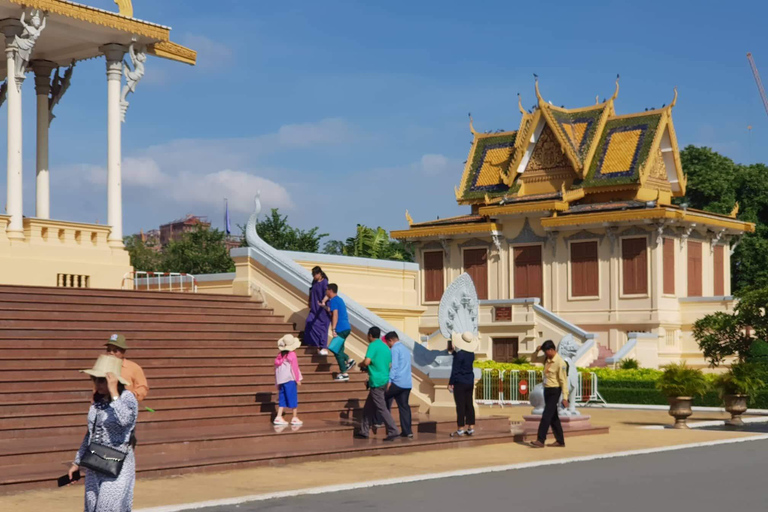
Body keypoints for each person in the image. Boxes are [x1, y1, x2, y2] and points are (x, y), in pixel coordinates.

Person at [69, 354, 138, 512]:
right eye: (95, 379)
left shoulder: (127, 398)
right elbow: (90, 435)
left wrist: (114, 393)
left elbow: (125, 420)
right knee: (92, 507)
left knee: (107, 508)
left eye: (102, 380)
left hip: (117, 463)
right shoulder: (98, 403)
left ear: (113, 380)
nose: (97, 384)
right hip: (95, 462)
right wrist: (77, 463)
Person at [356, 327, 399, 441]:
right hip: (384, 380)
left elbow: (367, 361)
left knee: (381, 408)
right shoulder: (385, 347)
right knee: (368, 408)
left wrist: (361, 365)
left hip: (377, 381)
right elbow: (388, 364)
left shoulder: (372, 345)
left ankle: (393, 430)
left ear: (370, 335)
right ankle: (364, 431)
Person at [530, 340, 569, 448]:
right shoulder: (546, 359)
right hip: (547, 390)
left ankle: (540, 440)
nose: (545, 354)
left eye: (546, 352)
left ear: (552, 350)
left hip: (555, 391)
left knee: (546, 415)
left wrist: (565, 398)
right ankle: (560, 441)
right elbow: (533, 360)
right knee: (553, 417)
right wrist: (536, 351)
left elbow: (563, 381)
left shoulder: (560, 363)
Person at [448, 332, 478, 437]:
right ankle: (471, 427)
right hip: (469, 381)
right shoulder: (471, 354)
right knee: (469, 404)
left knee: (460, 405)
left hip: (460, 381)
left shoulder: (459, 355)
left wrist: (451, 382)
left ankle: (460, 428)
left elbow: (455, 370)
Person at [384, 331, 413, 438]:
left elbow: (394, 366)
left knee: (381, 398)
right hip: (407, 383)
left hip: (397, 382)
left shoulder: (395, 349)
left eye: (388, 343)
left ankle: (380, 421)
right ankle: (407, 431)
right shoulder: (405, 349)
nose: (389, 345)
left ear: (390, 340)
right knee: (404, 406)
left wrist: (390, 380)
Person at [104, 334, 149, 401]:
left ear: (123, 351)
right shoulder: (103, 367)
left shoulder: (134, 368)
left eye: (115, 351)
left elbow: (142, 388)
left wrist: (131, 396)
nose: (111, 353)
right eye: (109, 350)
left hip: (125, 407)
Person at [325, 284, 356, 381]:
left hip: (340, 329)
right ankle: (347, 363)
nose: (326, 292)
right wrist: (324, 306)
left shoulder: (333, 300)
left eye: (327, 290)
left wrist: (333, 329)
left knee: (335, 349)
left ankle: (345, 371)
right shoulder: (339, 299)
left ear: (330, 291)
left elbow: (335, 315)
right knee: (339, 349)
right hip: (346, 328)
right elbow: (332, 310)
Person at [273, 334, 304, 425]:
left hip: (281, 380)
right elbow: (294, 367)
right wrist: (297, 379)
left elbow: (276, 368)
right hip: (290, 379)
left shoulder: (280, 355)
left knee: (282, 398)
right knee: (293, 397)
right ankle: (294, 417)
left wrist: (277, 381)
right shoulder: (292, 354)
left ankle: (279, 416)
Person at [304, 266, 331, 355]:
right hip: (314, 307)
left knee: (322, 327)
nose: (314, 276)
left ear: (319, 274)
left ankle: (323, 346)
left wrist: (323, 301)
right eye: (313, 275)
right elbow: (311, 291)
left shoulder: (324, 282)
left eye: (315, 274)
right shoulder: (314, 282)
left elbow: (327, 294)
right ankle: (312, 342)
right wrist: (309, 300)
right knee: (309, 322)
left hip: (322, 309)